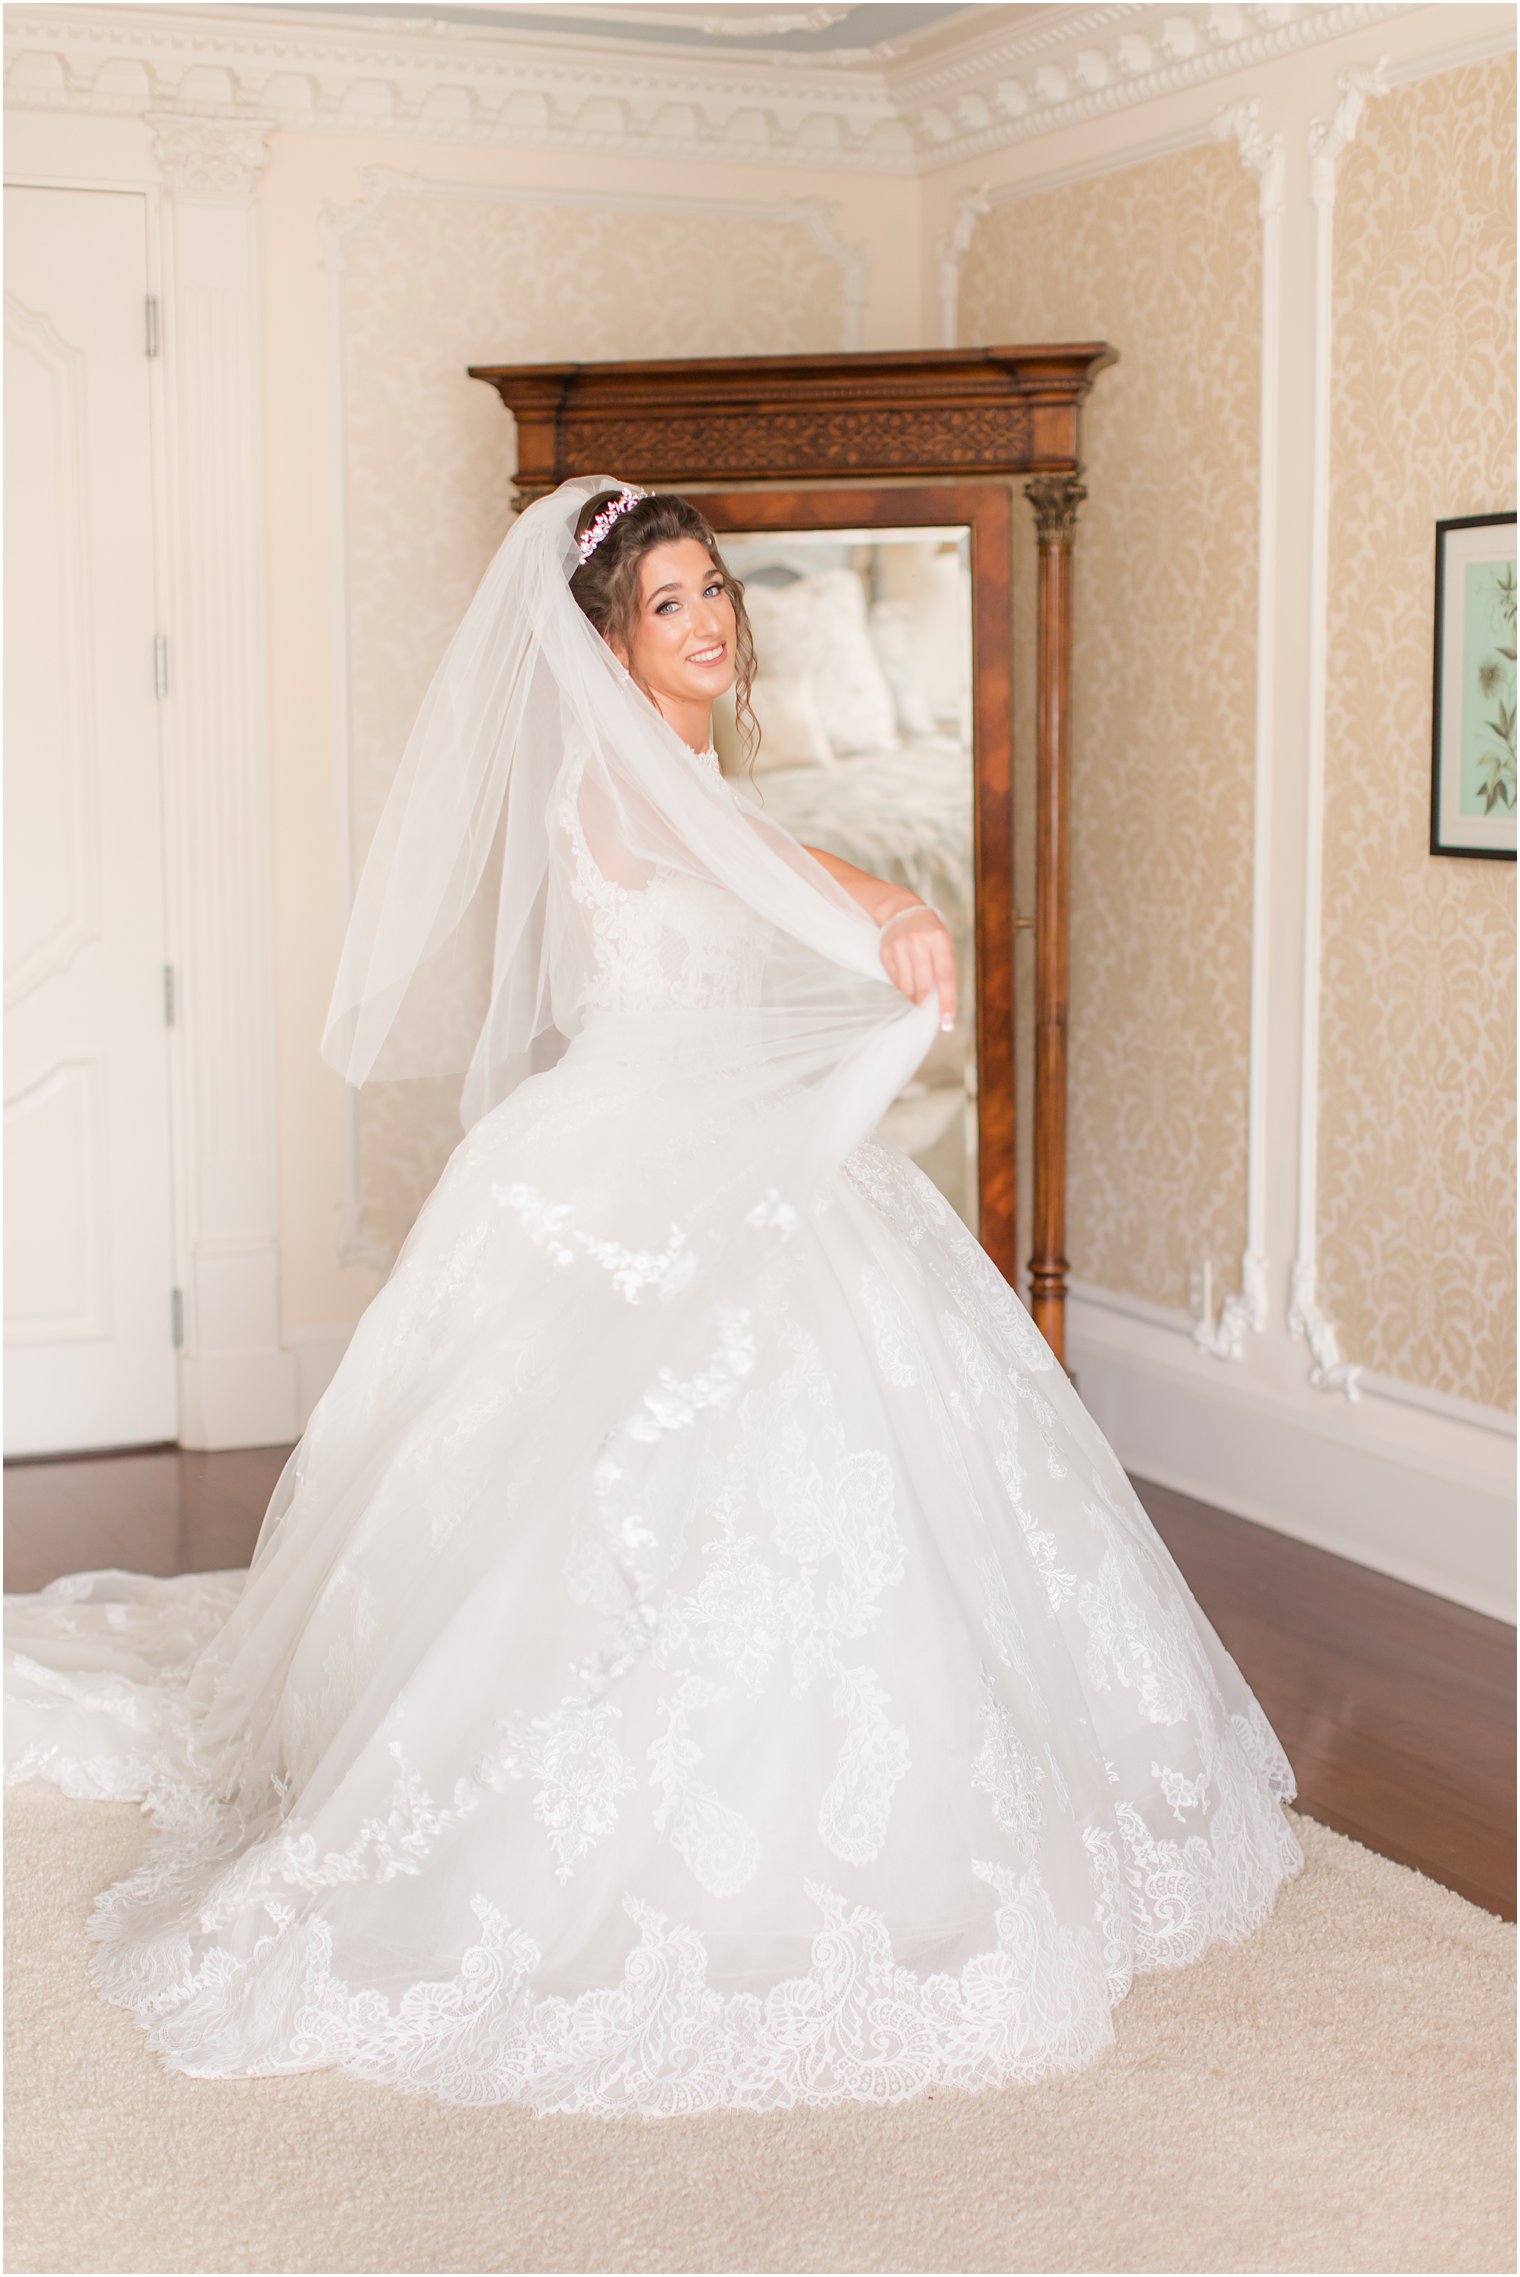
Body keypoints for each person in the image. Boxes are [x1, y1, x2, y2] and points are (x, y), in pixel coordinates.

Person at [4, 476, 1303, 2121]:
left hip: (711, 1122)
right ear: (609, 638)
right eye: (670, 603)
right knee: (629, 1455)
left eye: (714, 594)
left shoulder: (672, 760)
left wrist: (872, 902)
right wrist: (885, 897)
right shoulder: (615, 779)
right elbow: (752, 855)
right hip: (633, 1137)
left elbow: (748, 844)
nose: (707, 624)